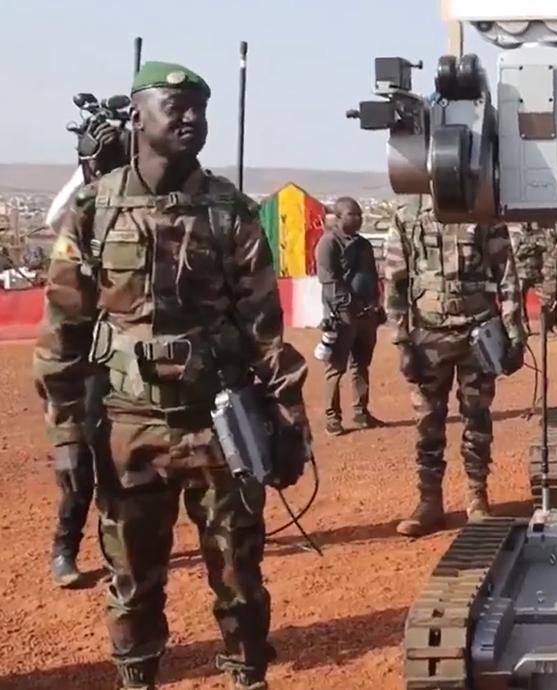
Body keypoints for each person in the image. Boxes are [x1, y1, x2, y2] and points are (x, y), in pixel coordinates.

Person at [32, 61, 312, 690]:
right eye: (176, 107)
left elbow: (265, 330)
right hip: (128, 428)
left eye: (200, 109)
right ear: (137, 117)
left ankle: (247, 675)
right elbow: (62, 333)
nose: (192, 119)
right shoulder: (93, 210)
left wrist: (290, 418)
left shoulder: (230, 211)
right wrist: (68, 436)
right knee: (131, 578)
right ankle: (137, 678)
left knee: (239, 573)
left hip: (220, 426)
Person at [384, 195, 525, 537]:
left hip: (478, 333)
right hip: (428, 337)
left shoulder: (483, 212)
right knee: (427, 422)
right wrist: (401, 342)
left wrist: (515, 334)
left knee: (477, 418)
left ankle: (477, 497)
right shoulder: (407, 215)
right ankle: (429, 502)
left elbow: (507, 275)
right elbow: (395, 281)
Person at [48, 111, 127, 588]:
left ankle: (119, 550)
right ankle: (65, 546)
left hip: (122, 358)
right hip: (79, 357)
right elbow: (55, 218)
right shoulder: (84, 209)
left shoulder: (138, 203)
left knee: (119, 460)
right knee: (77, 461)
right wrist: (86, 161)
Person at [315, 196, 385, 435]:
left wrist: (376, 304)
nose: (358, 219)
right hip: (342, 315)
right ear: (338, 217)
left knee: (361, 365)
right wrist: (350, 305)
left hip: (367, 314)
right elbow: (329, 281)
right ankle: (332, 417)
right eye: (352, 214)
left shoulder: (364, 245)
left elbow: (372, 276)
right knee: (336, 367)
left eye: (360, 215)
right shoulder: (328, 243)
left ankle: (361, 412)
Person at [514, 222, 557, 335]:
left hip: (538, 273)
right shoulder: (517, 235)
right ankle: (524, 325)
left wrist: (533, 247)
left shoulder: (541, 234)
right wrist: (531, 246)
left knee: (547, 299)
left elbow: (547, 246)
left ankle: (548, 326)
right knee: (520, 301)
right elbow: (517, 253)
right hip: (522, 273)